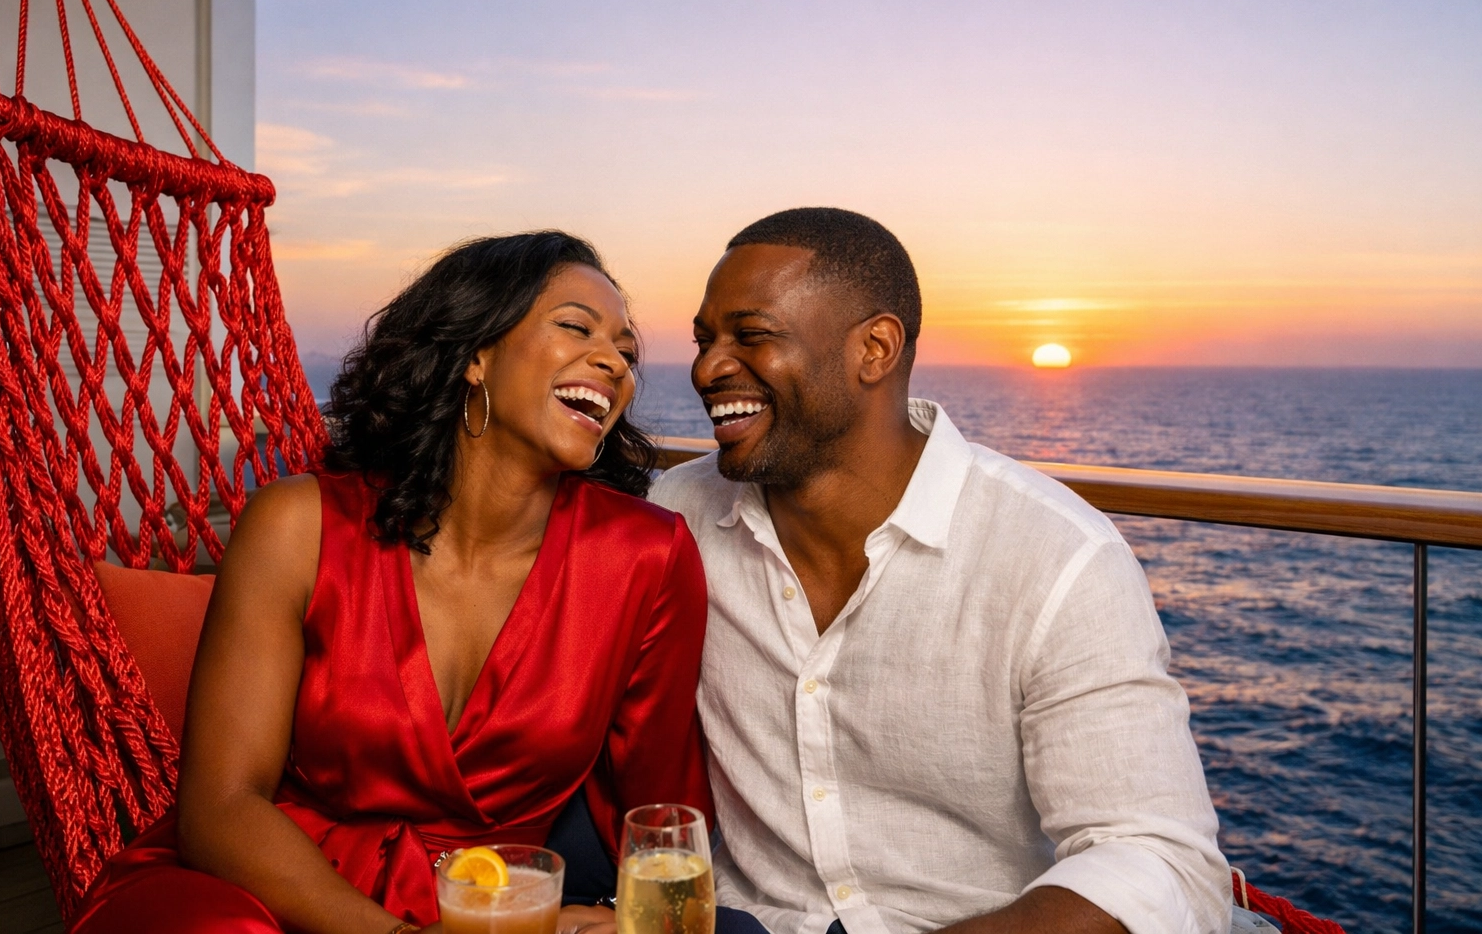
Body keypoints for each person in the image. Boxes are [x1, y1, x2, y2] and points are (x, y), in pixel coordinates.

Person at [71, 232, 714, 934]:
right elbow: (222, 807)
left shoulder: (647, 556)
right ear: (475, 354)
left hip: (489, 900)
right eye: (575, 327)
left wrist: (616, 917)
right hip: (271, 883)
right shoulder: (298, 526)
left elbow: (663, 815)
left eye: (625, 351)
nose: (614, 364)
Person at [650, 208, 1231, 934]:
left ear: (875, 348)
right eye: (705, 340)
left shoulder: (1057, 557)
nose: (706, 368)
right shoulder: (674, 517)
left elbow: (1158, 859)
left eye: (752, 336)